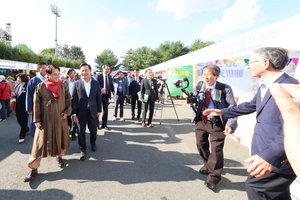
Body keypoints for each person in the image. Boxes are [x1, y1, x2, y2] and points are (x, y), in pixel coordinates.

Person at [203, 47, 298, 199]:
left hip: (277, 157)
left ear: (265, 63)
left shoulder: (291, 87)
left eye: (251, 61)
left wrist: (270, 156)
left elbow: (292, 129)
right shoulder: (265, 84)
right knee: (275, 194)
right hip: (264, 150)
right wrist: (222, 112)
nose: (248, 66)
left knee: (256, 187)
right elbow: (250, 106)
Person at [183, 64, 237, 190]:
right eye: (204, 74)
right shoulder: (199, 85)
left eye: (208, 74)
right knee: (200, 144)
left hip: (217, 121)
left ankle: (213, 177)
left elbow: (232, 107)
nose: (205, 77)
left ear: (216, 76)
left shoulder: (225, 88)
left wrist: (230, 124)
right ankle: (208, 164)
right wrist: (189, 97)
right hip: (201, 119)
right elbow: (195, 100)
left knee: (217, 149)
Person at [24, 65, 71, 182]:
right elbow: (36, 104)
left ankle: (59, 157)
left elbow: (68, 100)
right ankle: (33, 169)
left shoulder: (63, 86)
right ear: (48, 75)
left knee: (60, 140)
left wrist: (66, 112)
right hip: (44, 122)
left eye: (58, 74)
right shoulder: (41, 87)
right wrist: (37, 120)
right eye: (54, 74)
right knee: (38, 146)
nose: (57, 76)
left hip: (60, 120)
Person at [72, 63, 102, 161]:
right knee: (81, 132)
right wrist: (74, 113)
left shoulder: (95, 83)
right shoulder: (76, 83)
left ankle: (93, 143)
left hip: (92, 111)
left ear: (90, 71)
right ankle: (82, 150)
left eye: (86, 70)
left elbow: (98, 98)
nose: (84, 72)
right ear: (80, 72)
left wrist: (99, 110)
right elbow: (74, 99)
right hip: (81, 112)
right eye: (82, 70)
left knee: (93, 130)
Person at [270, 83, 300, 177]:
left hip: (279, 161)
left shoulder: (289, 87)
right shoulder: (265, 86)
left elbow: (285, 130)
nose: (249, 67)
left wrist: (268, 156)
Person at [26, 62, 47, 137]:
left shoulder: (49, 79)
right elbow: (29, 95)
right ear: (38, 69)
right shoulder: (33, 80)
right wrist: (29, 108)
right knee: (37, 124)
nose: (45, 69)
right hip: (37, 107)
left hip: (48, 107)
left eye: (46, 68)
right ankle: (37, 142)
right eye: (43, 68)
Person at [97, 65, 114, 130]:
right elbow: (96, 84)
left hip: (106, 96)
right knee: (98, 110)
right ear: (103, 69)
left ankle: (104, 124)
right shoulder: (99, 76)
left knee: (105, 110)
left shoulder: (109, 77)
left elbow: (111, 85)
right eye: (106, 69)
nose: (107, 70)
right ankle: (96, 124)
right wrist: (101, 88)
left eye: (108, 69)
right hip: (99, 95)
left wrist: (113, 91)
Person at [13, 74, 30, 144]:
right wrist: (14, 95)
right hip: (17, 106)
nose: (17, 80)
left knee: (23, 121)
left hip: (25, 107)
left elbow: (30, 97)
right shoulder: (17, 85)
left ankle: (22, 136)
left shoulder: (28, 86)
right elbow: (16, 95)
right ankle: (26, 129)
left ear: (22, 79)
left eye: (18, 79)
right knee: (18, 120)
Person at [64, 68, 77, 141]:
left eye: (73, 73)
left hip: (75, 103)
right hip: (66, 102)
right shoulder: (64, 82)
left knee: (74, 118)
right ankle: (68, 130)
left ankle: (73, 133)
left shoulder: (77, 82)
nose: (72, 75)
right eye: (70, 73)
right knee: (67, 118)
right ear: (68, 75)